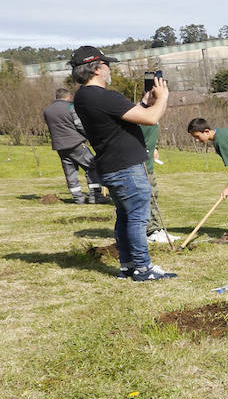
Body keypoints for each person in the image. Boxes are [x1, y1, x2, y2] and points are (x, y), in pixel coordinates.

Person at [69, 46, 176, 281]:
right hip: (126, 167)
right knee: (137, 218)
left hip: (111, 165)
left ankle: (128, 266)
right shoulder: (103, 96)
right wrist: (163, 98)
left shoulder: (83, 97)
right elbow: (150, 119)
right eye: (107, 65)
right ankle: (142, 268)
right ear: (97, 68)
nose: (109, 69)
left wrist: (145, 102)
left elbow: (127, 116)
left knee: (126, 217)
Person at [43, 87, 107, 204]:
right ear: (68, 97)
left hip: (60, 146)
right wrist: (91, 136)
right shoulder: (71, 107)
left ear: (55, 97)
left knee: (70, 172)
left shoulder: (47, 110)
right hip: (75, 143)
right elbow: (79, 125)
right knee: (92, 166)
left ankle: (78, 198)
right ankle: (95, 196)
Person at [140, 109, 176, 245]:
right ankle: (150, 231)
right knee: (149, 197)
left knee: (153, 194)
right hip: (141, 166)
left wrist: (155, 148)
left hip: (149, 164)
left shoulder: (154, 116)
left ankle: (154, 228)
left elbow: (150, 137)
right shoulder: (140, 116)